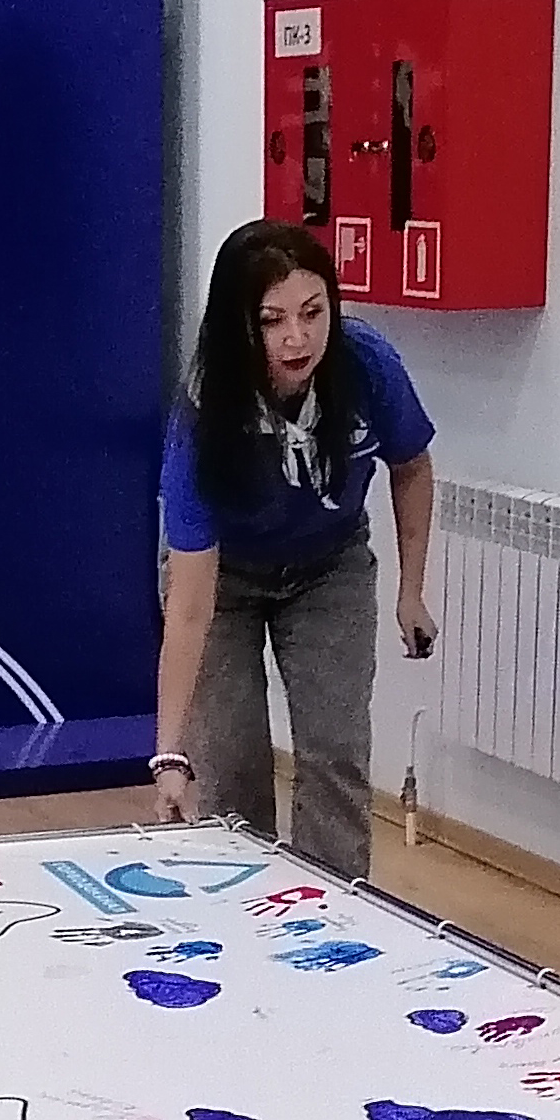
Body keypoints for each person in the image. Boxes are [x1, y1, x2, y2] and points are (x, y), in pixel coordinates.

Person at [149, 219, 439, 876]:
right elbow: (189, 608)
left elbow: (412, 466)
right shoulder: (202, 419)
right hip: (224, 580)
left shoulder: (366, 365)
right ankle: (245, 911)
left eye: (313, 312)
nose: (296, 338)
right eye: (271, 320)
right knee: (231, 766)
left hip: (328, 567)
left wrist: (411, 591)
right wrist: (169, 753)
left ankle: (333, 913)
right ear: (239, 326)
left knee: (335, 752)